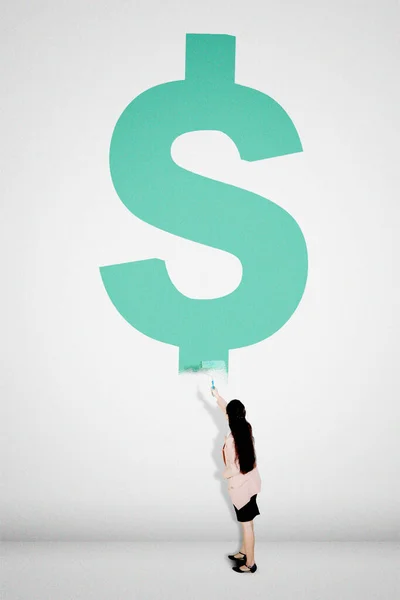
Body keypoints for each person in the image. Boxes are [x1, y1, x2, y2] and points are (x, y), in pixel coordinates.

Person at [211, 385, 261, 574]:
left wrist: (220, 474)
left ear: (231, 417)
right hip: (251, 485)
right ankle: (243, 551)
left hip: (241, 489)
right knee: (247, 523)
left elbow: (234, 468)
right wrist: (217, 396)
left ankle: (250, 564)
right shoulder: (245, 427)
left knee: (247, 526)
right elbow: (228, 411)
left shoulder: (233, 440)